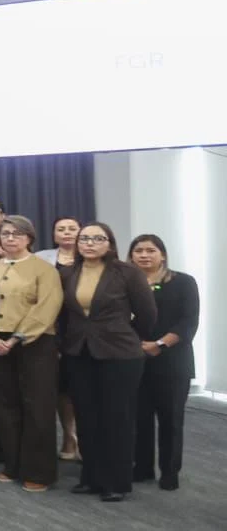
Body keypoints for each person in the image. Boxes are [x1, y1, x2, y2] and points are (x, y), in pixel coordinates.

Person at [60, 222, 155, 503]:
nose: (89, 243)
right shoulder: (67, 273)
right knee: (86, 417)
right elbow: (64, 315)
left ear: (110, 243)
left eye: (97, 238)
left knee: (117, 418)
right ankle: (91, 477)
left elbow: (147, 314)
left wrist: (127, 336)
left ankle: (117, 482)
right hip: (79, 353)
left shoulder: (127, 272)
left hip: (120, 355)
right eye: (84, 238)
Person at [0, 215, 63, 492]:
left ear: (29, 238)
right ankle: (13, 465)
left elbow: (47, 307)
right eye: (6, 233)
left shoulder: (43, 269)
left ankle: (39, 472)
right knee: (5, 406)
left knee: (37, 408)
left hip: (33, 344)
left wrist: (15, 339)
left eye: (17, 234)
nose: (10, 238)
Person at [129, 235, 198, 492]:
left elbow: (188, 322)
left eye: (151, 250)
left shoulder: (183, 282)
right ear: (131, 256)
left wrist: (159, 344)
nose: (144, 255)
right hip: (134, 359)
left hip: (172, 360)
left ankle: (170, 472)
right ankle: (142, 467)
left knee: (171, 419)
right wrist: (135, 345)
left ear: (163, 255)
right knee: (139, 418)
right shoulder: (126, 283)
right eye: (138, 250)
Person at [35, 216, 81, 461]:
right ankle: (68, 437)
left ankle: (87, 438)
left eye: (72, 228)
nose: (67, 232)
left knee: (81, 388)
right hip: (49, 328)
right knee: (60, 389)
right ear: (54, 234)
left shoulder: (93, 258)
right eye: (61, 229)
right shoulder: (41, 258)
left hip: (81, 330)